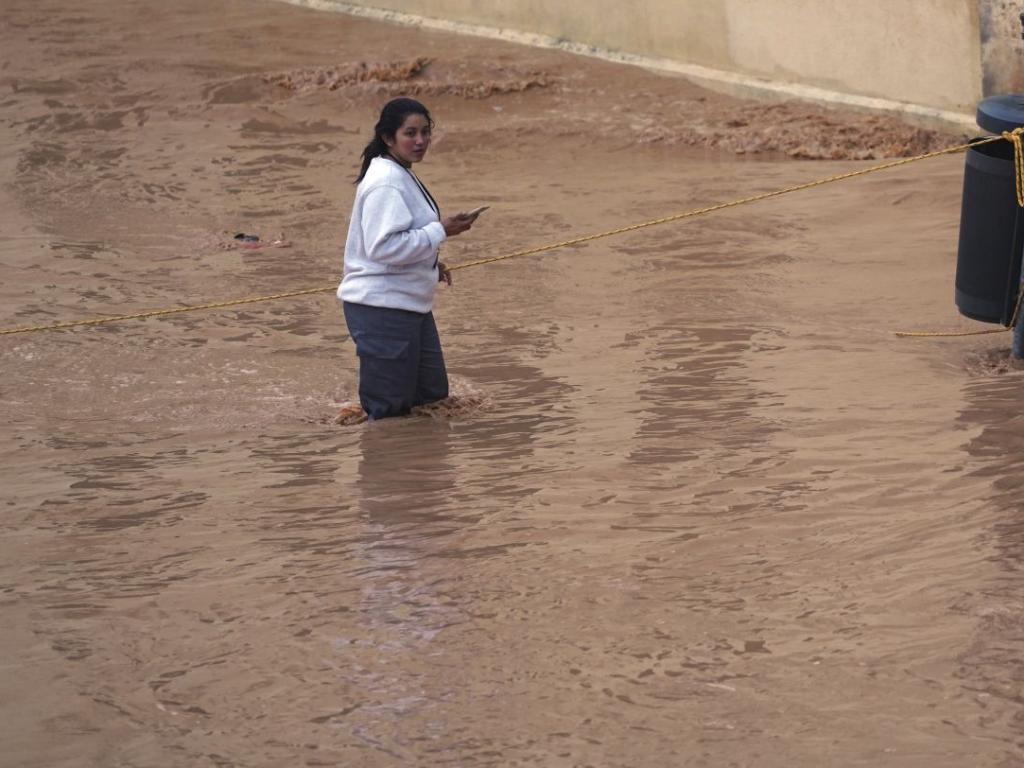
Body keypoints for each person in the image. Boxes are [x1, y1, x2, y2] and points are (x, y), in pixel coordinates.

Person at [339, 97, 479, 421]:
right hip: (382, 309)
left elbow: (398, 241)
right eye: (410, 133)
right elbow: (384, 248)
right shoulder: (386, 181)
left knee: (431, 397)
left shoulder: (398, 172)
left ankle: (421, 465)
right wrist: (440, 231)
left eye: (425, 132)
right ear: (389, 138)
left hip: (408, 305)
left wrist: (429, 263)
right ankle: (388, 466)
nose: (420, 141)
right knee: (388, 414)